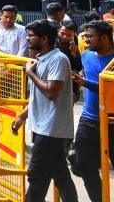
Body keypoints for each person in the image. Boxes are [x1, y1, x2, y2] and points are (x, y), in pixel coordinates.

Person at [12, 20, 77, 202]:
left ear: (45, 39)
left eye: (31, 36)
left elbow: (51, 92)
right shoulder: (41, 59)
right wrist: (22, 116)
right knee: (61, 176)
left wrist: (30, 74)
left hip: (51, 129)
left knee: (36, 176)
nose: (28, 39)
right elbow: (37, 97)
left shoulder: (58, 60)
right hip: (42, 127)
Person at [70, 20, 114, 202]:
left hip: (112, 121)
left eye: (90, 36)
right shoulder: (86, 55)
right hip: (89, 120)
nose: (86, 40)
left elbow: (110, 88)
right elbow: (86, 74)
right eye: (85, 36)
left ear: (104, 37)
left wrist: (85, 83)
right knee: (82, 164)